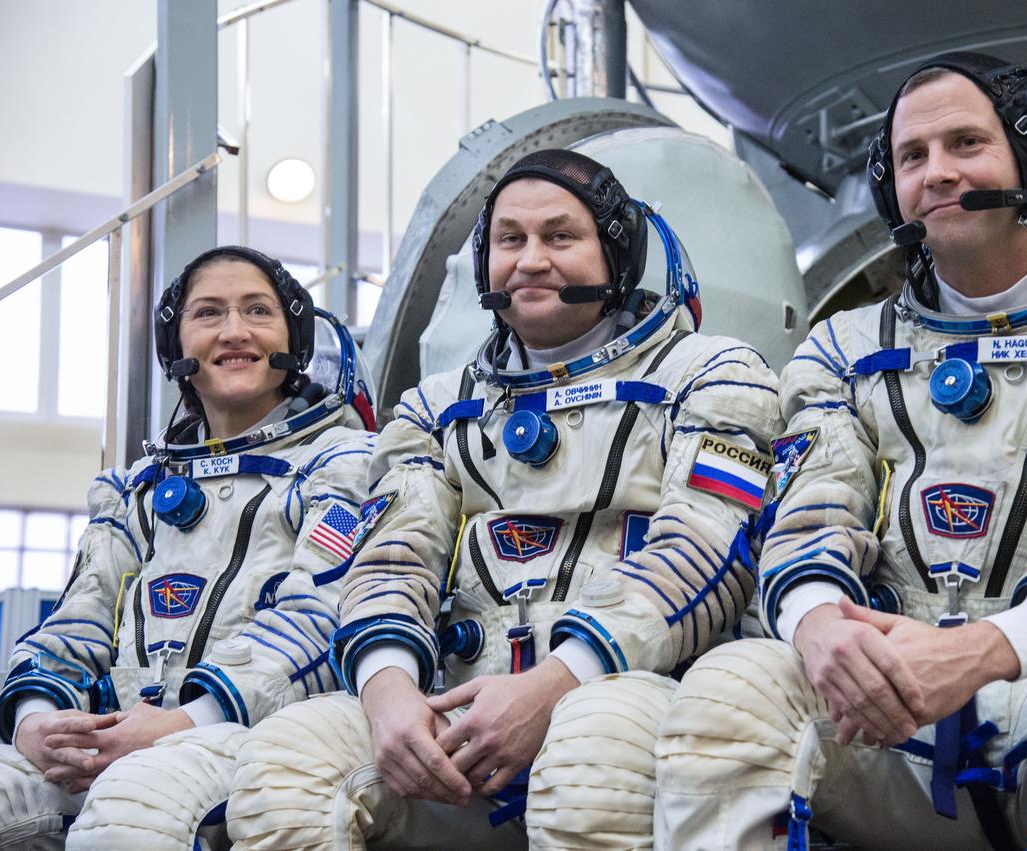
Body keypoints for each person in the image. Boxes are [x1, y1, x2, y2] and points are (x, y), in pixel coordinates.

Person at [647, 52, 1027, 850]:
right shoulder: (842, 349)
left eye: (965, 144)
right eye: (911, 156)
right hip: (888, 721)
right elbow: (804, 525)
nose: (936, 173)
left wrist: (982, 650)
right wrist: (817, 626)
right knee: (733, 689)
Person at [222, 149, 783, 849]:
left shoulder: (714, 374)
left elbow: (705, 549)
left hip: (630, 696)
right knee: (287, 765)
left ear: (617, 254)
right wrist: (389, 693)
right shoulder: (434, 410)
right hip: (455, 710)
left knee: (589, 769)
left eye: (560, 236)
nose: (531, 259)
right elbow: (393, 564)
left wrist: (554, 685)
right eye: (509, 240)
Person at [0, 246, 377, 850]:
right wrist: (39, 721)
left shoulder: (345, 467)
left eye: (258, 311)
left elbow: (320, 619)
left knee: (131, 815)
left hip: (263, 737)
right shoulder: (139, 489)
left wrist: (183, 721)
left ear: (294, 339)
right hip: (125, 732)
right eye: (208, 313)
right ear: (177, 348)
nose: (234, 331)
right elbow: (77, 620)